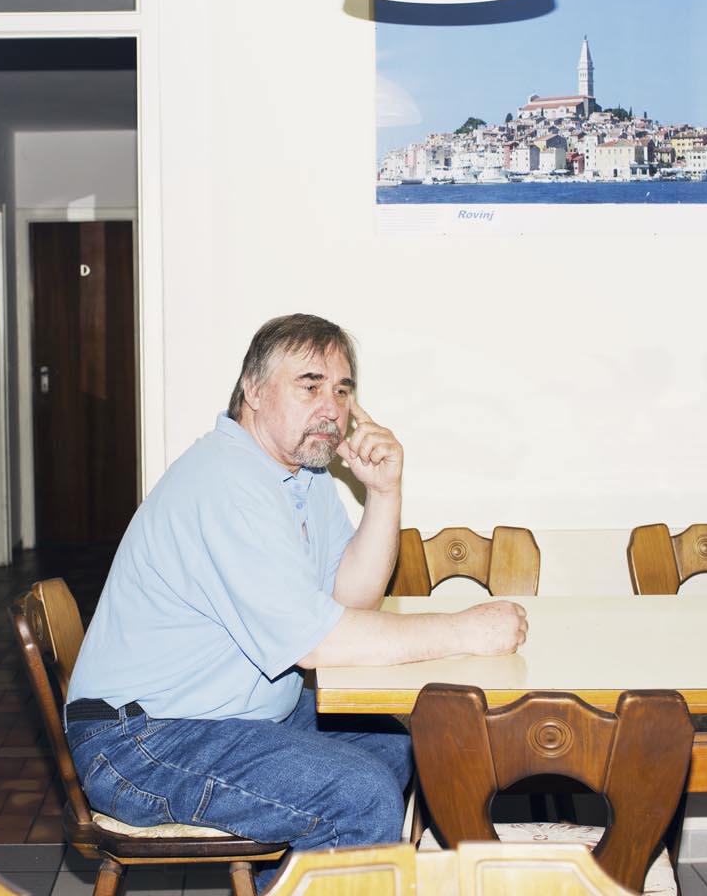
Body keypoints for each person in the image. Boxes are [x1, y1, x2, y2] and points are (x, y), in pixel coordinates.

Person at [64, 314, 528, 875]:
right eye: (310, 386)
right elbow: (320, 644)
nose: (332, 408)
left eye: (342, 390)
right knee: (362, 796)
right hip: (139, 741)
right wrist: (466, 630)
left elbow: (351, 602)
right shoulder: (228, 482)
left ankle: (285, 883)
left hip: (225, 718)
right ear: (254, 391)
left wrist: (384, 493)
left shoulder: (302, 477)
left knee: (396, 743)